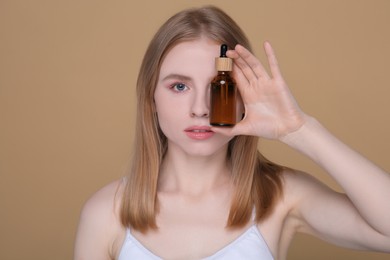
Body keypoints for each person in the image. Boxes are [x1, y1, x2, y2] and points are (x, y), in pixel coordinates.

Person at [74, 5, 390, 260]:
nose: (200, 108)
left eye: (219, 86)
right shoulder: (106, 213)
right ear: (151, 98)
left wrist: (300, 129)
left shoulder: (281, 197)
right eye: (180, 86)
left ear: (243, 96)